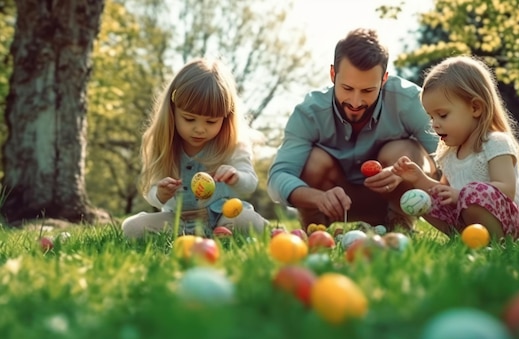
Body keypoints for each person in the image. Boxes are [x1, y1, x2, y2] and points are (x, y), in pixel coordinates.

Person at [267, 28, 439, 232]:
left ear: (383, 79)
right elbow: (278, 177)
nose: (356, 102)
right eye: (347, 88)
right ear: (333, 74)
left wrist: (409, 174)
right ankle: (316, 232)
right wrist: (318, 197)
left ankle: (399, 226)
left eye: (367, 90)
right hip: (331, 204)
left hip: (391, 198)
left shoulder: (411, 101)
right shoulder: (309, 113)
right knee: (313, 160)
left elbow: (446, 157)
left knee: (405, 151)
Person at [392, 55, 519, 240]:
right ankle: (463, 237)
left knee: (474, 192)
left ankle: (496, 241)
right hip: (470, 222)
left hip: (514, 227)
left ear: (475, 108)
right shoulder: (450, 154)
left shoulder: (495, 143)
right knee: (424, 198)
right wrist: (418, 178)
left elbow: (507, 189)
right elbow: (443, 193)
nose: (435, 124)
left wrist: (462, 194)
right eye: (432, 117)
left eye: (443, 115)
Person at [122, 58, 269, 239]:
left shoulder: (234, 144)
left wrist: (236, 177)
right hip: (177, 220)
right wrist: (160, 193)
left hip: (223, 215)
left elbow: (250, 185)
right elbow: (150, 192)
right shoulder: (163, 145)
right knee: (132, 228)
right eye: (189, 119)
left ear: (226, 118)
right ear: (172, 111)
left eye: (211, 121)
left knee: (247, 221)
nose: (199, 129)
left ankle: (222, 232)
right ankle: (205, 236)